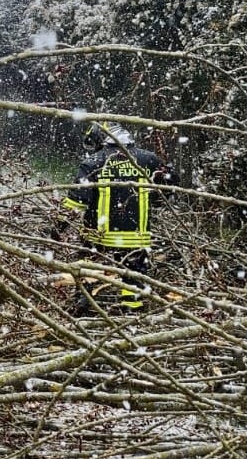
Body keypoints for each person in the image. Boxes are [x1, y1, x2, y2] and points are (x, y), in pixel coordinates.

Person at [63, 121, 170, 315]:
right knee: (133, 276)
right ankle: (131, 314)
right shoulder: (148, 159)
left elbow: (75, 203)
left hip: (97, 233)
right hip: (137, 233)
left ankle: (84, 305)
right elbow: (169, 186)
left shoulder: (94, 162)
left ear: (99, 139)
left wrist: (57, 228)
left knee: (89, 268)